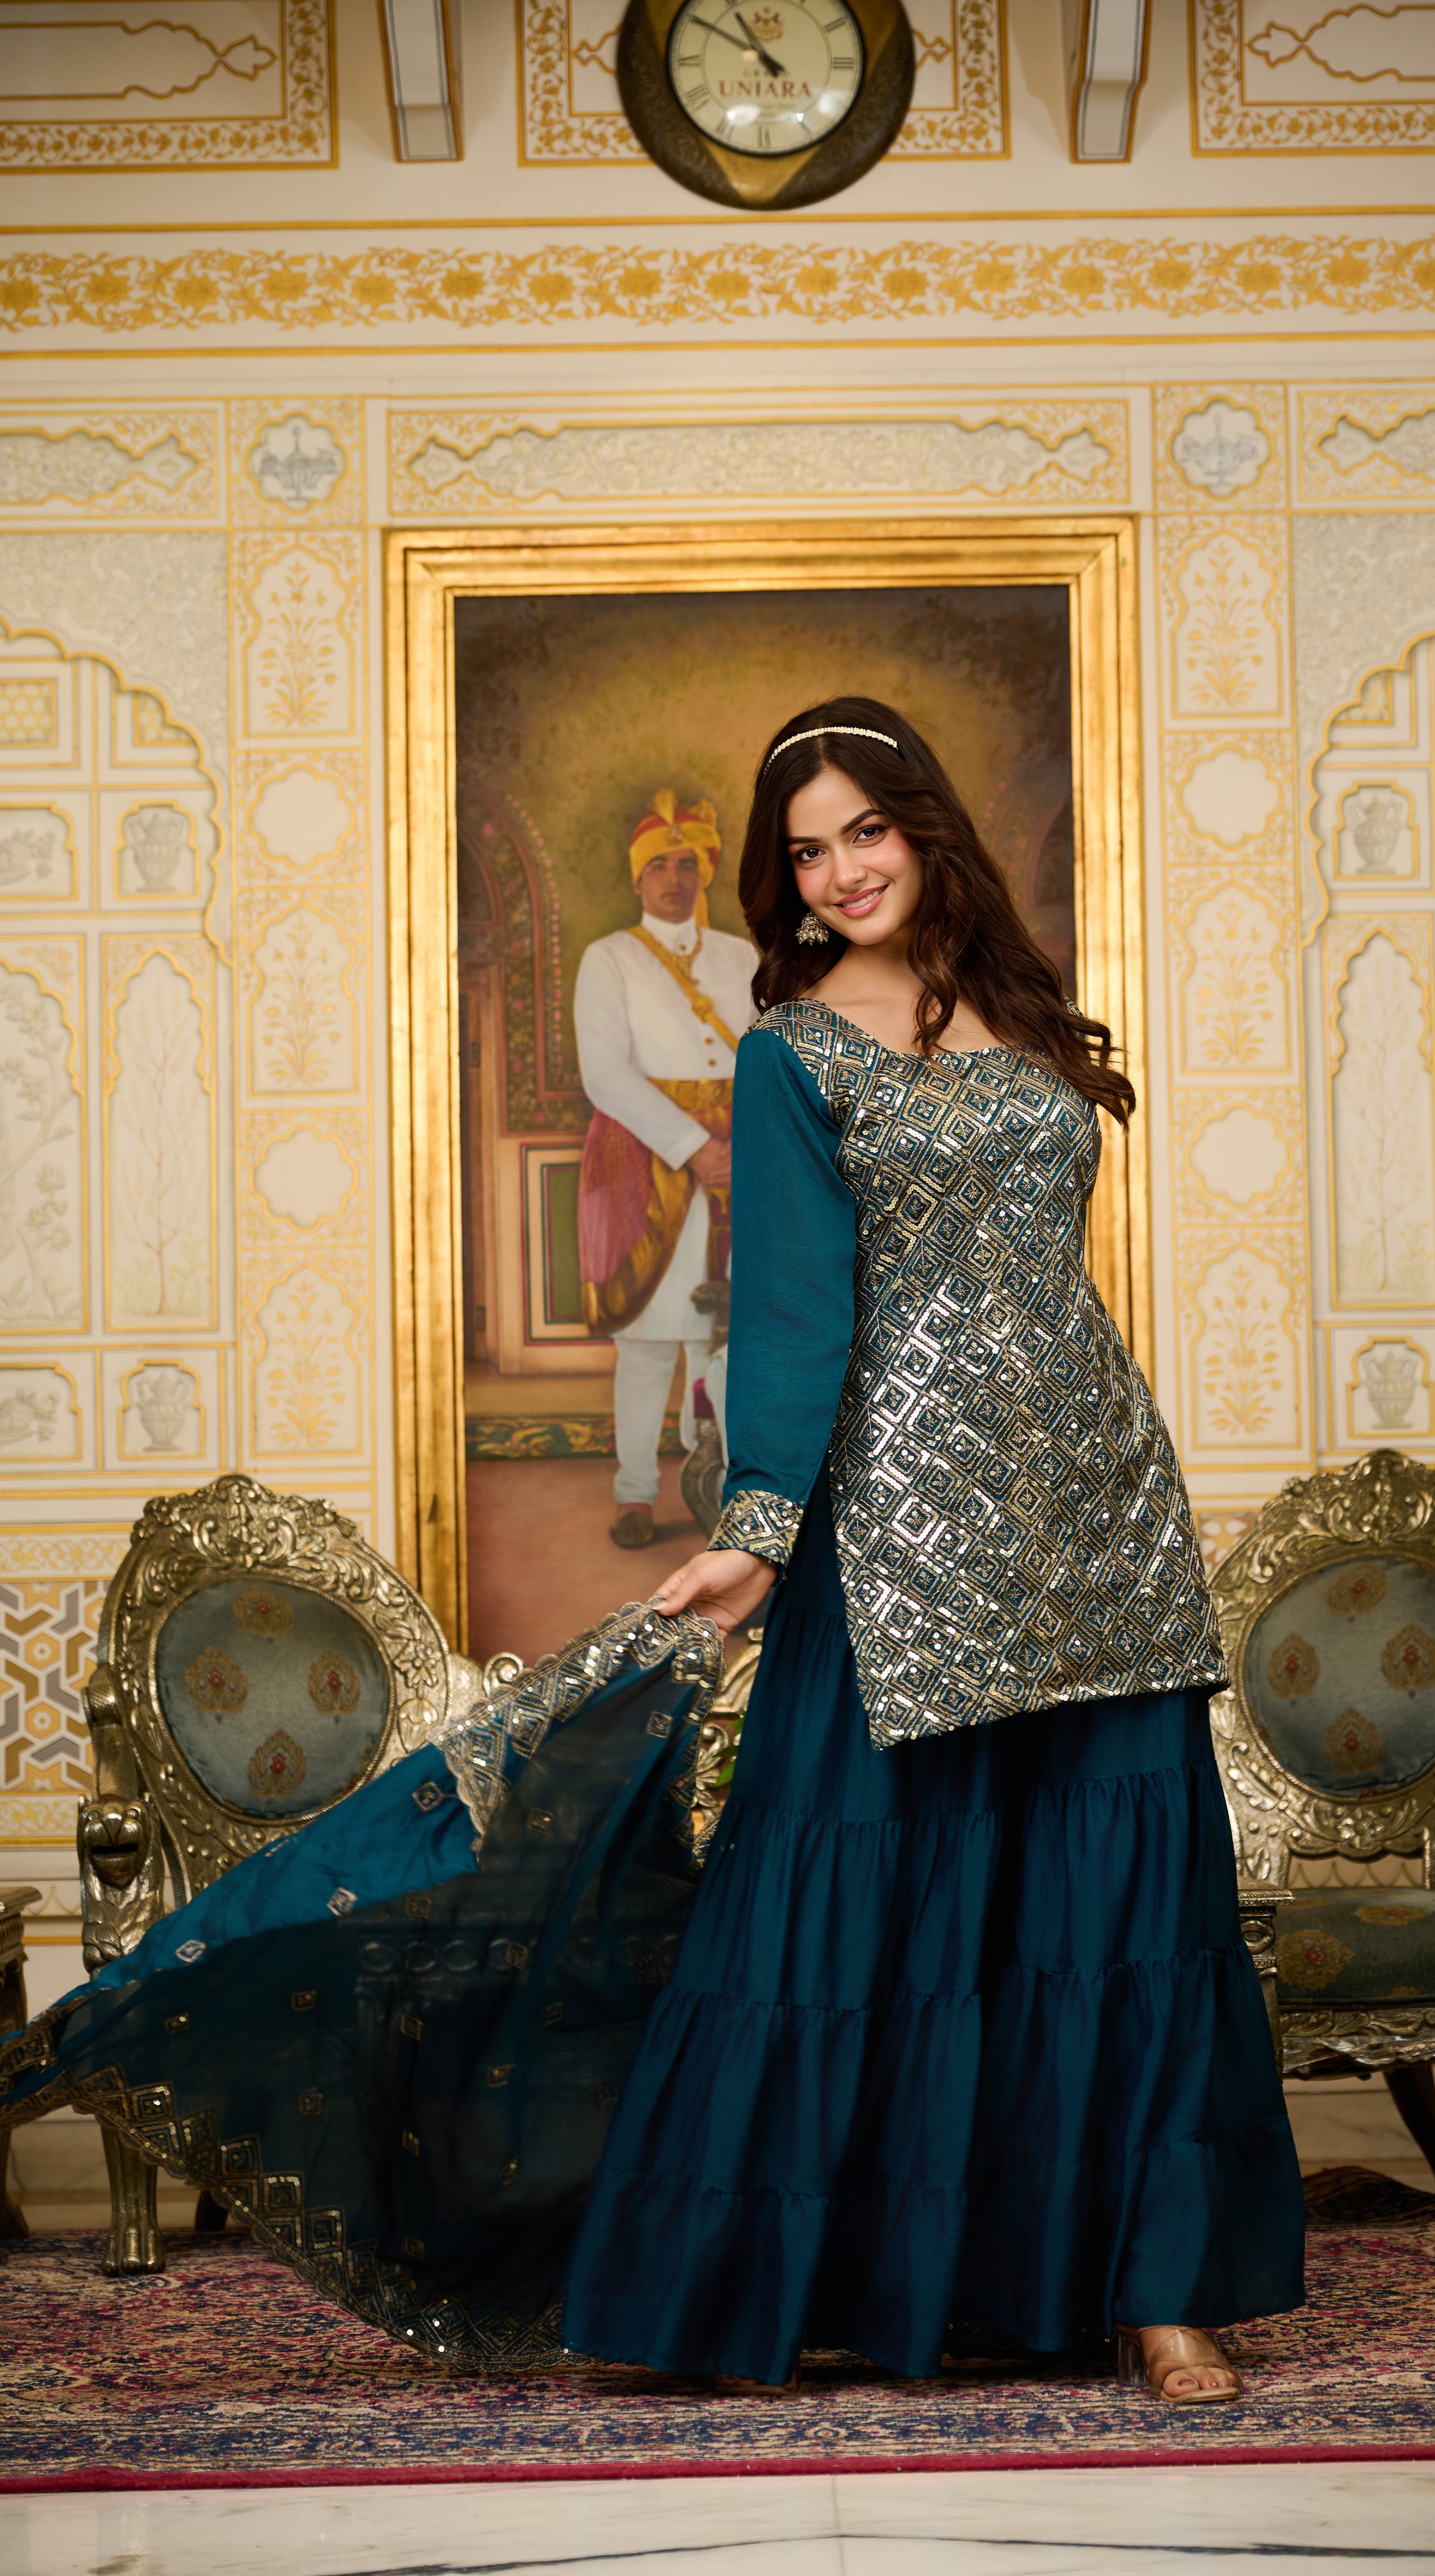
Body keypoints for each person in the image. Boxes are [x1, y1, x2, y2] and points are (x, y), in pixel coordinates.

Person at [0, 698, 1302, 2404]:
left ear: (925, 825)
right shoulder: (793, 1052)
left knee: (1117, 1908)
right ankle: (839, 2278)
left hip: (1102, 1516)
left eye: (864, 832)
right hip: (899, 1537)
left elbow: (1055, 1283)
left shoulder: (1028, 1017)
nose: (839, 873)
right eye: (807, 852)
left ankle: (1156, 2293)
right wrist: (763, 1527)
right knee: (865, 1906)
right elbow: (794, 1308)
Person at [572, 789, 757, 1550]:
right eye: (660, 867)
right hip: (645, 1161)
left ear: (704, 872)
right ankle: (636, 1493)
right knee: (650, 1339)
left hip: (744, 1159)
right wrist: (693, 1147)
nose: (675, 879)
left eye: (689, 865)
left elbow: (768, 1060)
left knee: (723, 1335)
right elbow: (606, 1076)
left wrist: (746, 1146)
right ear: (638, 879)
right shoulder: (610, 959)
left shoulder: (741, 958)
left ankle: (710, 1482)